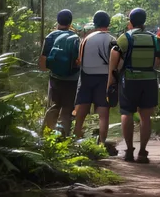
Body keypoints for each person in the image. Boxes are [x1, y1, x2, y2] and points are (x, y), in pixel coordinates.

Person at [107, 8, 160, 163]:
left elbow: (115, 60)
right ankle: (143, 152)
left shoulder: (125, 38)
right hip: (150, 80)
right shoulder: (154, 38)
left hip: (130, 80)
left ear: (130, 21)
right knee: (145, 117)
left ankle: (129, 150)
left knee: (126, 113)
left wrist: (111, 81)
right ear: (144, 21)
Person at [74, 11, 117, 155]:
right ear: (108, 23)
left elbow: (79, 60)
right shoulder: (112, 39)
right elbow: (115, 62)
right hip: (105, 78)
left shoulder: (85, 39)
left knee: (81, 112)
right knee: (103, 114)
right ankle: (101, 146)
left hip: (86, 77)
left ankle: (76, 143)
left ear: (94, 23)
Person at [39, 9, 80, 137]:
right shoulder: (75, 38)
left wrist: (51, 69)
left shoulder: (51, 36)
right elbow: (78, 60)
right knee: (67, 109)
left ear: (58, 21)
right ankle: (64, 138)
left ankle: (46, 137)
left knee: (54, 106)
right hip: (72, 79)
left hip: (55, 78)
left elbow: (43, 61)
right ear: (70, 22)